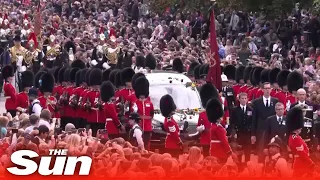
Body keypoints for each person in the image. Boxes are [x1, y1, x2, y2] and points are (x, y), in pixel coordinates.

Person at [287, 106, 320, 177]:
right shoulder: (295, 138)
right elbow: (302, 154)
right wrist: (311, 164)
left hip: (301, 163)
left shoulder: (295, 137)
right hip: (301, 164)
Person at [252, 82, 278, 163]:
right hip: (261, 131)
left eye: (269, 88)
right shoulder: (256, 102)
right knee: (261, 152)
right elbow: (254, 119)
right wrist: (253, 134)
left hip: (272, 131)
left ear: (271, 89)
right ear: (262, 90)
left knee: (272, 152)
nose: (267, 90)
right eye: (265, 88)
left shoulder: (275, 101)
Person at [206, 98, 237, 165]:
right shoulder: (218, 128)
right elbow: (224, 141)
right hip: (221, 152)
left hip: (214, 151)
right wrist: (229, 152)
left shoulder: (213, 126)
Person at [196, 83, 219, 157]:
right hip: (205, 140)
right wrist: (200, 129)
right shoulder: (202, 114)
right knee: (206, 158)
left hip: (214, 140)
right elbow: (199, 125)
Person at [230, 92, 252, 164]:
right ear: (239, 99)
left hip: (248, 134)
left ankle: (247, 167)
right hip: (239, 133)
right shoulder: (234, 110)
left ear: (247, 99)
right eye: (242, 98)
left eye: (245, 98)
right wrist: (234, 132)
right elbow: (232, 122)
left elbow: (253, 122)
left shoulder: (250, 109)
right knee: (239, 152)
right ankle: (239, 167)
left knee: (247, 152)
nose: (244, 100)